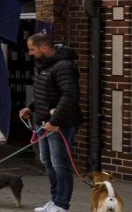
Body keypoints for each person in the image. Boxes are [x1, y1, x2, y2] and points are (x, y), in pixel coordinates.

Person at [19, 32, 83, 212]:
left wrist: (55, 121)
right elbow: (43, 92)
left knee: (59, 163)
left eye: (32, 49)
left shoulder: (64, 66)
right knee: (46, 161)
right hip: (42, 122)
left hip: (59, 124)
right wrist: (30, 108)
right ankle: (55, 200)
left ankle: (62, 204)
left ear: (44, 47)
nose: (30, 53)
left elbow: (70, 95)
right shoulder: (43, 64)